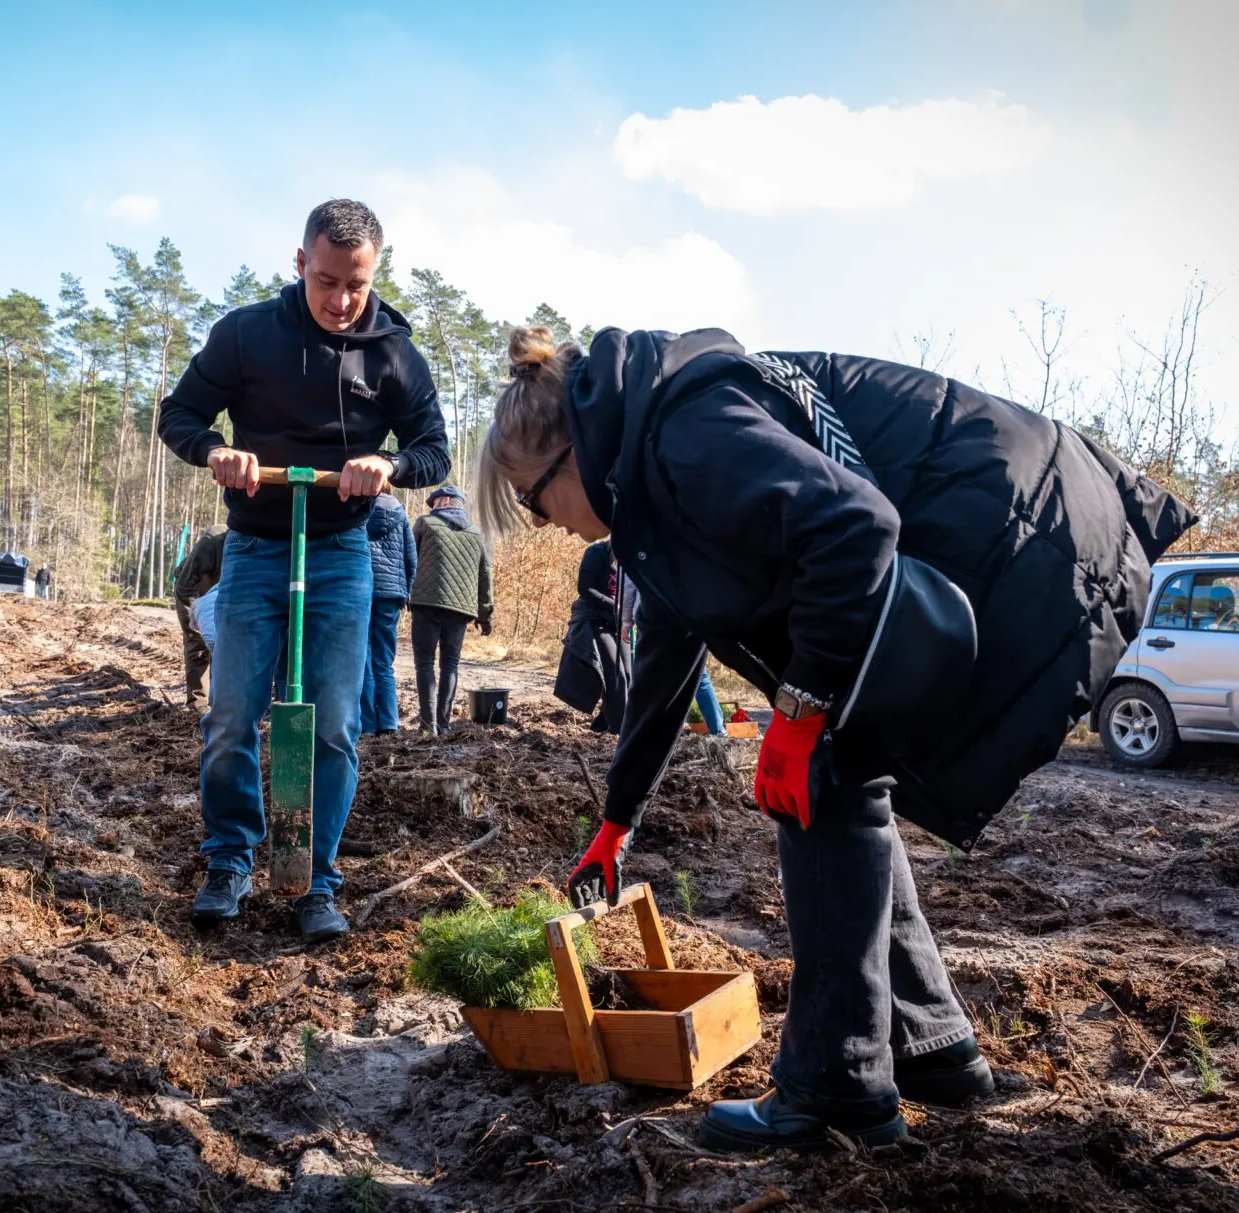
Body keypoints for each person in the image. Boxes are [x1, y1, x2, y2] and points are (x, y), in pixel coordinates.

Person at [475, 324, 1194, 1151]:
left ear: (568, 453)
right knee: (844, 776)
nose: (547, 524)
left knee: (822, 777)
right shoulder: (647, 463)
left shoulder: (686, 428)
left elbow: (854, 527)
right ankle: (931, 1046)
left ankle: (835, 1085)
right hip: (1008, 532)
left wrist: (802, 708)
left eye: (534, 501)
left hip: (1025, 537)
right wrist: (617, 818)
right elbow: (669, 652)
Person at [157, 198, 450, 943]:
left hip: (342, 555)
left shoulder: (393, 352)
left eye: (356, 284)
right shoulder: (248, 333)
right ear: (300, 264)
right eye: (326, 282)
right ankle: (229, 859)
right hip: (256, 548)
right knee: (231, 720)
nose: (342, 301)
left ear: (374, 272)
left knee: (332, 728)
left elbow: (434, 449)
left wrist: (387, 463)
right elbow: (179, 414)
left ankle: (313, 879)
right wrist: (216, 451)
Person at [408, 485, 493, 736]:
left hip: (426, 604)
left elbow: (409, 559)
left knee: (424, 664)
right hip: (460, 610)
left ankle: (427, 726)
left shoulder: (425, 523)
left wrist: (405, 593)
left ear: (444, 500)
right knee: (450, 665)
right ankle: (444, 724)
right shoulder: (478, 533)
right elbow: (485, 574)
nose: (431, 508)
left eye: (433, 502)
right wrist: (485, 614)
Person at [555, 539, 627, 733]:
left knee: (629, 673)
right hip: (592, 619)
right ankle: (619, 729)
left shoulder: (631, 560)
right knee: (615, 672)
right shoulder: (595, 553)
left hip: (617, 622)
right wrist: (613, 604)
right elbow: (584, 589)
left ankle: (604, 721)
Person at [361, 492, 416, 736]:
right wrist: (406, 591)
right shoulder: (400, 513)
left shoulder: (357, 510)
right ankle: (390, 722)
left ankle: (368, 723)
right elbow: (410, 557)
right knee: (384, 661)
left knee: (364, 659)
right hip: (391, 594)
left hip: (361, 589)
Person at [172, 527, 226, 706]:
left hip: (220, 595)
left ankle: (221, 702)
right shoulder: (213, 541)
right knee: (198, 645)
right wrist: (194, 623)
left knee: (225, 646)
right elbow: (184, 586)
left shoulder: (258, 543)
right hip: (192, 592)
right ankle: (198, 705)